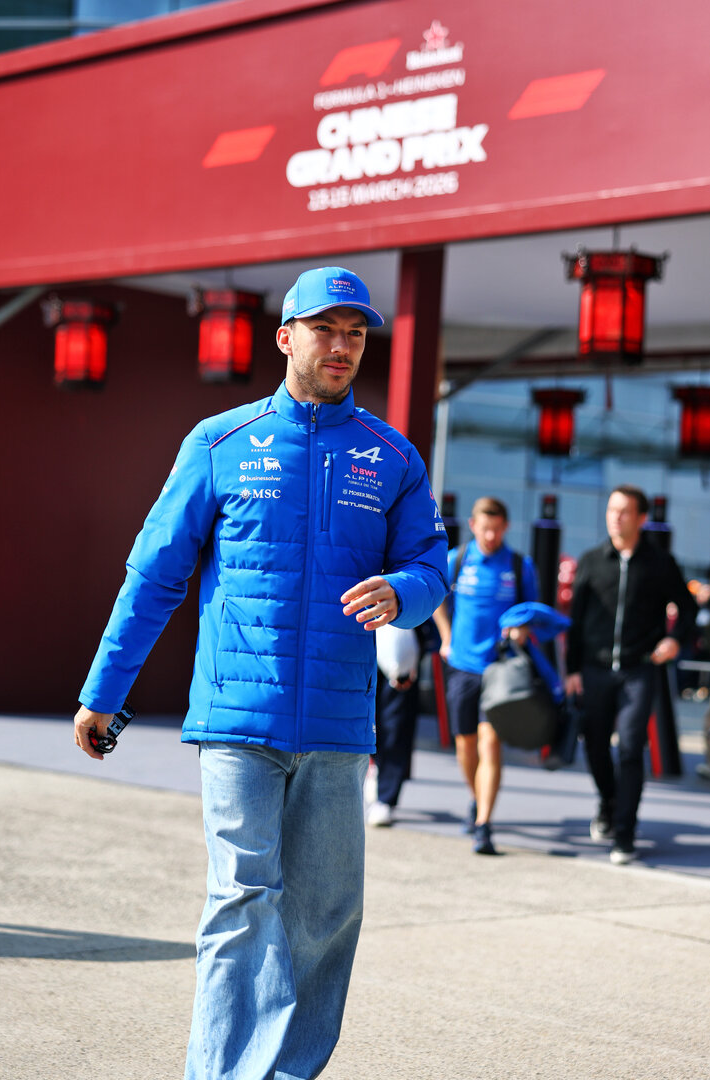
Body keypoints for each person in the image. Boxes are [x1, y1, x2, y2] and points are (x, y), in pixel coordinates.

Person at [73, 265, 448, 1080]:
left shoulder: (390, 457)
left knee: (323, 917)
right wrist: (104, 692)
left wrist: (406, 590)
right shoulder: (219, 443)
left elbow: (430, 563)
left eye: (355, 333)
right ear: (285, 337)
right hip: (238, 723)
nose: (343, 346)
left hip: (339, 726)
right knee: (241, 905)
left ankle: (284, 1073)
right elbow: (154, 575)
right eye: (326, 329)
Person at [565, 485, 697, 866]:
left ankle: (624, 832)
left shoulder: (660, 563)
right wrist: (572, 669)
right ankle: (608, 802)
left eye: (624, 511)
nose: (616, 517)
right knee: (593, 746)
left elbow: (686, 610)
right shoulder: (591, 561)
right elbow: (576, 622)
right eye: (611, 510)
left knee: (630, 748)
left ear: (641, 518)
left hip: (640, 670)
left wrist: (673, 640)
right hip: (594, 668)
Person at [433, 496, 538, 855]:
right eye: (484, 528)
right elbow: (435, 598)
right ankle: (477, 799)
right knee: (465, 745)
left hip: (500, 669)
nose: (490, 535)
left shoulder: (521, 566)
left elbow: (531, 613)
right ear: (473, 525)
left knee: (490, 743)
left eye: (496, 528)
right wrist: (446, 637)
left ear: (505, 527)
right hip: (462, 666)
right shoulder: (458, 560)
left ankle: (484, 825)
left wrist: (522, 630)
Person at [366, 618, 440, 826]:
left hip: (402, 630)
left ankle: (386, 799)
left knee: (395, 724)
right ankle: (375, 765)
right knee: (363, 718)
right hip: (360, 633)